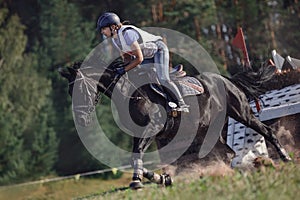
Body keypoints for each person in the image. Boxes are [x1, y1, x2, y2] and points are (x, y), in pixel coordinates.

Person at [97, 12, 189, 112]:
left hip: (158, 51)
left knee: (163, 79)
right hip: (147, 56)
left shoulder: (127, 34)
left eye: (103, 29)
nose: (102, 32)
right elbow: (127, 58)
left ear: (113, 27)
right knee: (137, 73)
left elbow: (139, 59)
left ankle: (181, 104)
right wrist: (120, 69)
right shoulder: (115, 40)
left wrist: (124, 69)